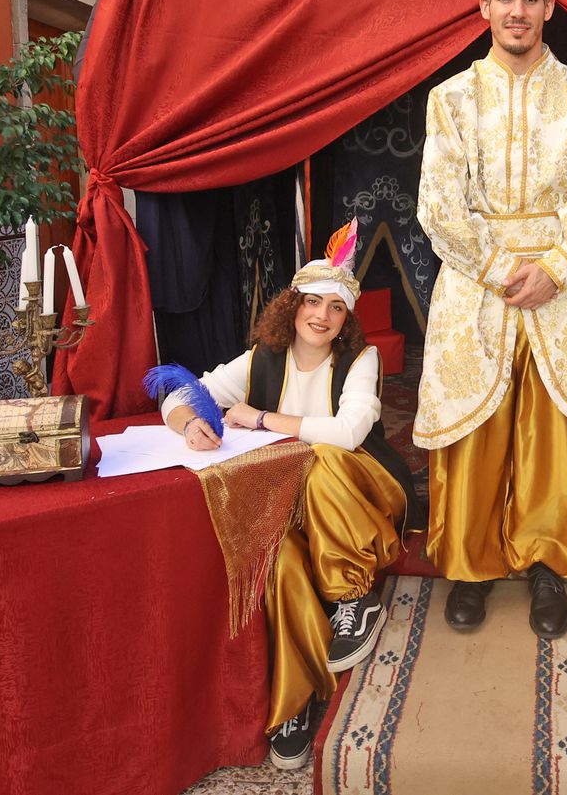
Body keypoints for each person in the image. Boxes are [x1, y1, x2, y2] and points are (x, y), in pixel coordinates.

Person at [414, 0, 567, 639]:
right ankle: (471, 567)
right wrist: (506, 267)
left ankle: (547, 565)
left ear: (549, 7)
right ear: (482, 8)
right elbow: (439, 206)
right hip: (474, 284)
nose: (517, 11)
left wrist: (558, 267)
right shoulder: (450, 99)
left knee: (548, 429)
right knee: (474, 430)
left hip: (562, 291)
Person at [160, 220, 415, 770]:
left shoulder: (360, 361)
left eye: (336, 308)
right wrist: (187, 424)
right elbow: (183, 390)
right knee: (281, 565)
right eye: (313, 303)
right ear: (292, 306)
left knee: (321, 457)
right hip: (293, 508)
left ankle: (352, 595)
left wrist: (261, 418)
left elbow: (347, 434)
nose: (322, 316)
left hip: (364, 493)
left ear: (347, 320)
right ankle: (293, 703)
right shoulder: (259, 359)